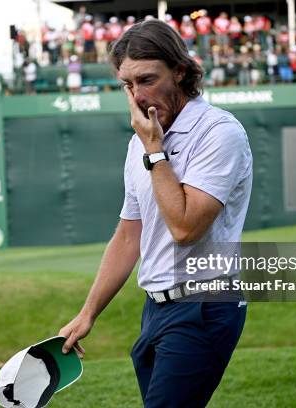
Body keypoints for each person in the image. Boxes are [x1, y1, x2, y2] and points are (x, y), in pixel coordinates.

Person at [58, 19, 252, 408]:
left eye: (147, 80)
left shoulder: (218, 132)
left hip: (205, 306)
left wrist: (154, 150)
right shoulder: (140, 141)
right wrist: (88, 313)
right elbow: (129, 235)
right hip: (156, 309)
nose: (137, 95)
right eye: (127, 85)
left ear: (180, 71)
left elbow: (185, 228)